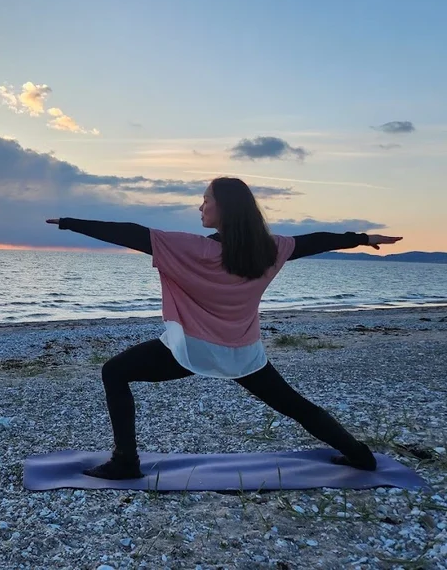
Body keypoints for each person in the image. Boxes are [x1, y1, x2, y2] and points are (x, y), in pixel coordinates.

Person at [46, 176, 402, 480]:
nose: (200, 207)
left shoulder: (192, 249)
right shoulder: (272, 249)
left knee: (114, 372)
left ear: (225, 209)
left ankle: (125, 461)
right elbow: (316, 240)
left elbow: (130, 234)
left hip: (193, 349)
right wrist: (362, 238)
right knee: (295, 406)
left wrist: (69, 222)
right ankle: (360, 455)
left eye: (206, 201)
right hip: (243, 353)